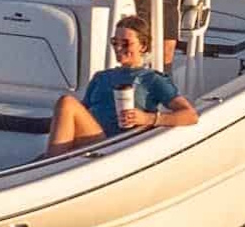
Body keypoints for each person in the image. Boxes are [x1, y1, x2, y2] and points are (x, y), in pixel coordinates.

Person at [44, 16, 198, 157]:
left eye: (125, 43)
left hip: (115, 145)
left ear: (143, 46)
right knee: (67, 105)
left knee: (67, 102)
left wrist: (148, 118)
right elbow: (80, 114)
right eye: (115, 42)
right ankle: (50, 161)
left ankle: (50, 164)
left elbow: (190, 115)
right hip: (92, 139)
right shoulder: (101, 77)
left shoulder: (152, 79)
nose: (118, 48)